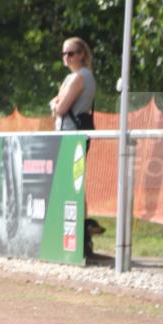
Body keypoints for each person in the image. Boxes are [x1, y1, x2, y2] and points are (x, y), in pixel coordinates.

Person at [50, 36, 101, 255]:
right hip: (73, 135)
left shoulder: (78, 78)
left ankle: (82, 233)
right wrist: (57, 102)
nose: (66, 57)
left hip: (71, 135)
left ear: (81, 54)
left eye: (70, 53)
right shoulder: (78, 77)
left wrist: (56, 102)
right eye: (64, 53)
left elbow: (59, 108)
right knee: (75, 183)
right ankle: (83, 232)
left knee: (72, 184)